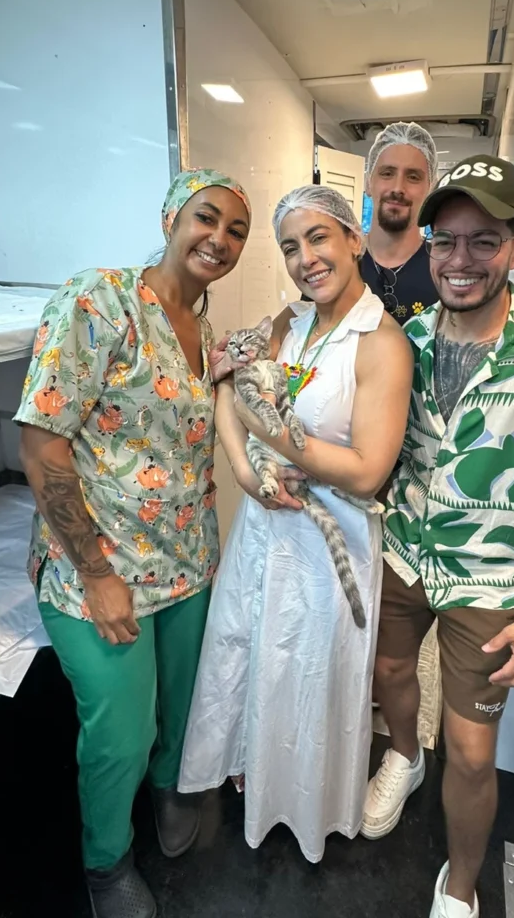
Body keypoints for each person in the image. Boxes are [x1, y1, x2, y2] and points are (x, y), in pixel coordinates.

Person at [362, 155, 514, 918]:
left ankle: (461, 885)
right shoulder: (406, 339)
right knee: (390, 673)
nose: (460, 259)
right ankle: (403, 755)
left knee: (472, 754)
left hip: (492, 580)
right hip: (403, 552)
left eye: (484, 241)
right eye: (446, 240)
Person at [16, 168, 252, 918]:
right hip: (100, 568)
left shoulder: (204, 329)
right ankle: (106, 861)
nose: (219, 238)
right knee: (121, 730)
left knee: (182, 706)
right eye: (206, 217)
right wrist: (95, 573)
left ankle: (168, 789)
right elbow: (43, 443)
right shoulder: (100, 301)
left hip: (187, 562)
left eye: (237, 230)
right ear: (169, 219)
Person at [178, 186, 413, 863]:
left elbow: (366, 472)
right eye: (290, 246)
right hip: (264, 527)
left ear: (354, 240)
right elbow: (227, 388)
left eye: (318, 238)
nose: (305, 258)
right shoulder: (290, 320)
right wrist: (247, 473)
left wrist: (270, 435)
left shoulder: (382, 343)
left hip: (325, 543)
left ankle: (304, 802)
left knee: (309, 673)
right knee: (255, 654)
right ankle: (257, 769)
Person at [360, 121, 439, 321]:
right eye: (387, 173)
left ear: (430, 189)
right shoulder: (340, 262)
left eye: (413, 177)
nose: (398, 188)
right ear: (368, 182)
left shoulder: (443, 269)